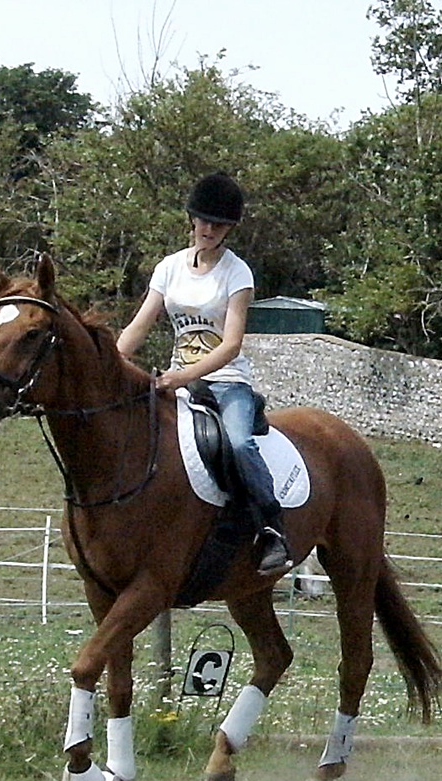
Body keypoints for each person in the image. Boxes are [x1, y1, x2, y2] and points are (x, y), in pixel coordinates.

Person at [116, 171, 292, 575]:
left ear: (229, 229)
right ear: (192, 219)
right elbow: (140, 325)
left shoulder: (237, 273)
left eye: (219, 225)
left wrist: (180, 376)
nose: (209, 230)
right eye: (204, 221)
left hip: (227, 382)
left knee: (239, 443)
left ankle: (271, 528)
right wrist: (112, 361)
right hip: (177, 382)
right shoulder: (169, 268)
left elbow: (231, 345)